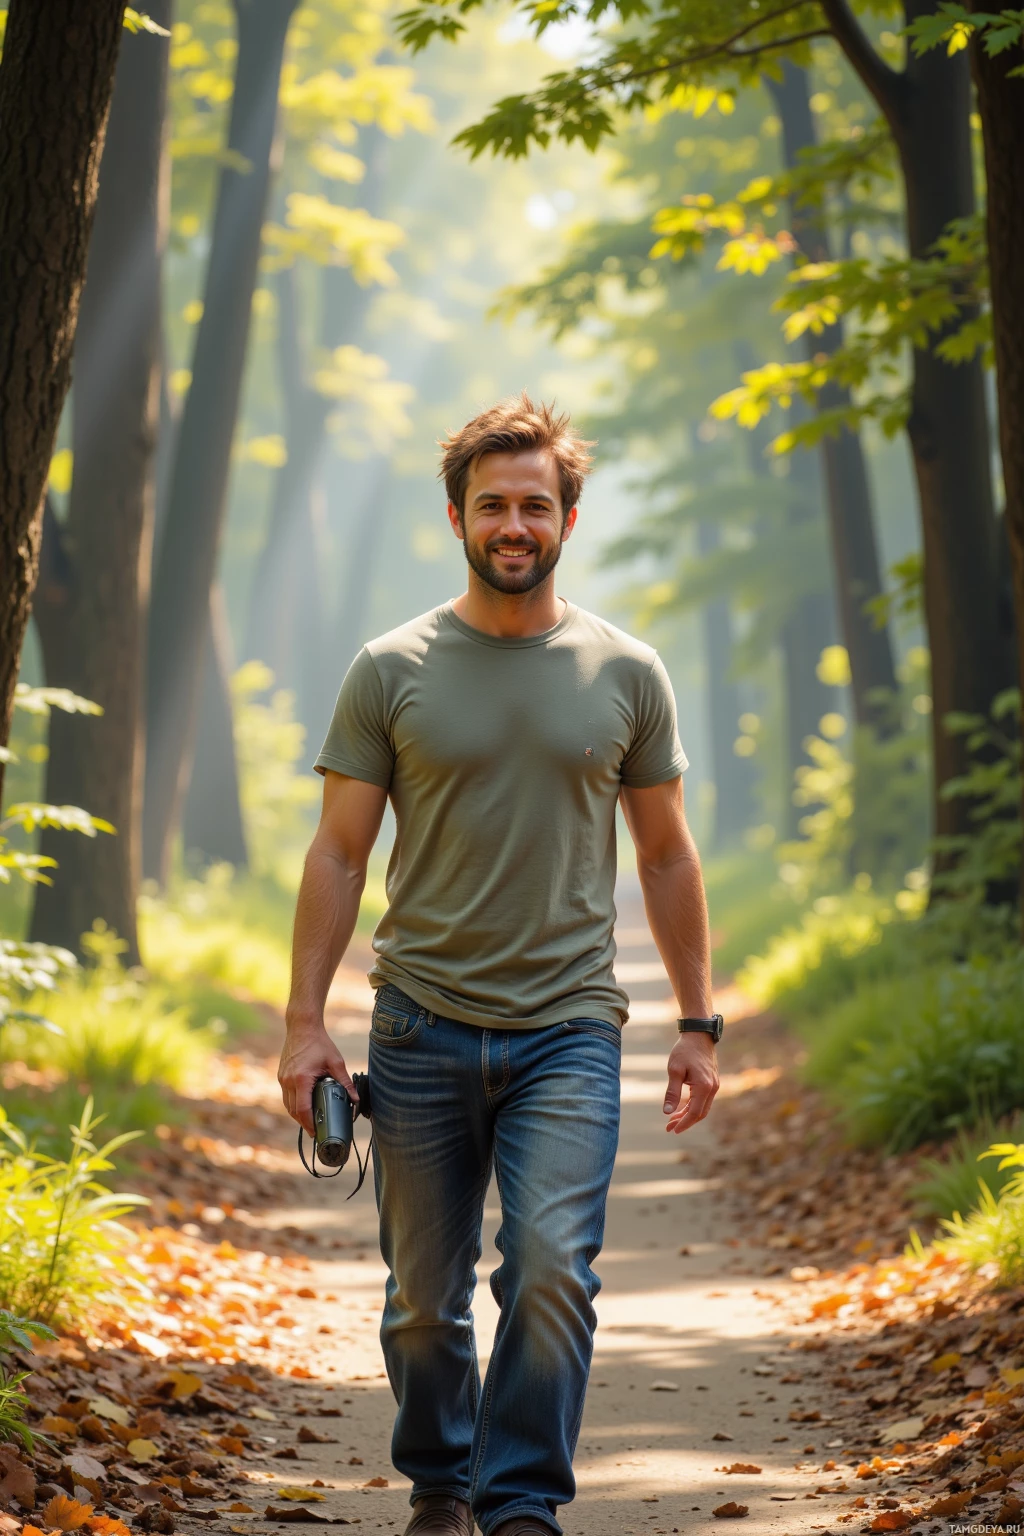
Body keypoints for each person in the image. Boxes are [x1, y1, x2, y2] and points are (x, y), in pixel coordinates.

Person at [278, 393, 721, 1536]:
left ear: (569, 518)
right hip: (418, 1023)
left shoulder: (627, 672)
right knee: (423, 1305)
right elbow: (336, 851)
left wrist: (697, 1022)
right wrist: (303, 1024)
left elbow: (667, 859)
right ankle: (442, 1478)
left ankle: (520, 1504)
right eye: (492, 505)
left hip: (571, 1027)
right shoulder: (391, 668)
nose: (513, 523)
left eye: (535, 504)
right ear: (455, 516)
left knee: (549, 1271)